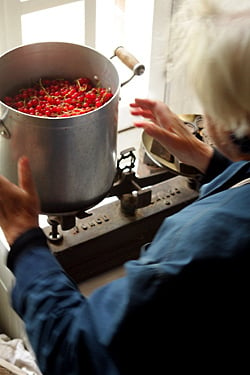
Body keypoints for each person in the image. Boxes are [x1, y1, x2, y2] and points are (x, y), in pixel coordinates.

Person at [1, 0, 250, 373]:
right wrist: (214, 162)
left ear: (236, 117)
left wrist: (24, 241)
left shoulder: (198, 245)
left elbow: (75, 353)